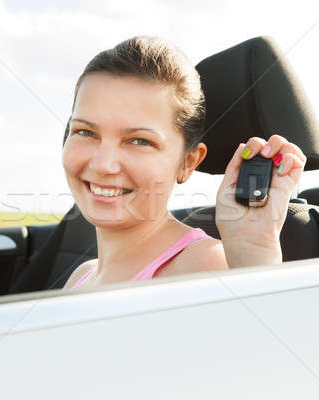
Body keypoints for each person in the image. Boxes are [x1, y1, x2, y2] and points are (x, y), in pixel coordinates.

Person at [62, 36, 306, 289]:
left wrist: (253, 254)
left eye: (139, 141)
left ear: (188, 162)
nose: (103, 164)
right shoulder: (81, 276)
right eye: (85, 132)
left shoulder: (202, 265)